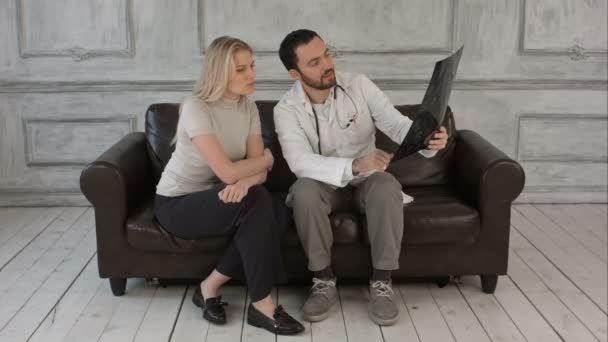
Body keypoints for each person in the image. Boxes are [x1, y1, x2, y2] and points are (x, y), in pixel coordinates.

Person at [274, 29, 449, 326]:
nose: (327, 64)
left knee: (386, 183)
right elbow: (299, 162)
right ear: (295, 72)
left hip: (367, 182)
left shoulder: (359, 85)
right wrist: (354, 165)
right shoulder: (286, 110)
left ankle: (382, 283)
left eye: (326, 54)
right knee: (303, 190)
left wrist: (427, 140)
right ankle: (323, 280)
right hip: (323, 185)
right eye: (314, 62)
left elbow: (397, 126)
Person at [154, 36, 304, 335]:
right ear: (219, 72)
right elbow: (225, 170)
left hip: (221, 198)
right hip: (179, 204)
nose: (251, 75)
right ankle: (262, 304)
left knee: (277, 205)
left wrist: (248, 178)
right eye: (240, 69)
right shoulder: (196, 107)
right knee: (258, 200)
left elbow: (254, 175)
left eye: (252, 66)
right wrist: (266, 159)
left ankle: (209, 286)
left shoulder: (247, 107)